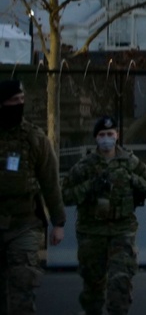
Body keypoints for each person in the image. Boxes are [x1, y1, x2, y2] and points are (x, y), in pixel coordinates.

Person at [61, 115, 146, 315]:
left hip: (122, 230)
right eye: (102, 135)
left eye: (110, 134)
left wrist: (131, 179)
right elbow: (66, 195)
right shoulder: (85, 165)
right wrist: (89, 186)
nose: (106, 138)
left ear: (117, 135)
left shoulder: (130, 162)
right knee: (92, 287)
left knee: (120, 281)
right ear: (96, 138)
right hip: (92, 232)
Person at [0, 79, 65, 314]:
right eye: (13, 100)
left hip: (24, 224)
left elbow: (50, 183)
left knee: (22, 288)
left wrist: (58, 222)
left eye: (21, 99)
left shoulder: (34, 138)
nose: (19, 104)